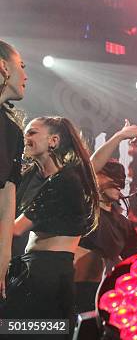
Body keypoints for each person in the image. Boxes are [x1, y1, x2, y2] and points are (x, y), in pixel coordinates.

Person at [1, 117, 99, 338]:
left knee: (20, 331)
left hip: (46, 273)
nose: (25, 138)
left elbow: (16, 228)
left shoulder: (66, 180)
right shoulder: (34, 177)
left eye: (32, 133)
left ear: (53, 140)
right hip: (37, 270)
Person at [74, 120, 137, 313]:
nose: (118, 183)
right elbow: (87, 170)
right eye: (111, 177)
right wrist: (120, 136)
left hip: (103, 298)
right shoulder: (80, 206)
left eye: (121, 180)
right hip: (67, 289)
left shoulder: (123, 224)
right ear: (96, 176)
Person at [0, 40, 27, 301]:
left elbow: (7, 197)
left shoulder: (12, 132)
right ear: (3, 67)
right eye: (21, 66)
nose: (25, 75)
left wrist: (4, 253)